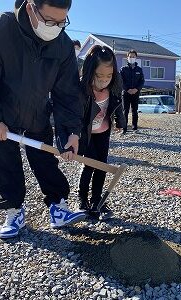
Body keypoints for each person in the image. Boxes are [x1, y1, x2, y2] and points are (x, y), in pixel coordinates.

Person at [0, 0, 86, 239]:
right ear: (31, 6)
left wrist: (71, 132)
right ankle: (14, 211)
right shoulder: (0, 28)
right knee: (5, 163)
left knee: (46, 160)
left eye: (61, 22)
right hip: (1, 115)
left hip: (37, 113)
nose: (54, 27)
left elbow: (67, 94)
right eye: (49, 21)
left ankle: (58, 207)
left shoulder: (62, 45)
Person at [78, 45, 126, 220]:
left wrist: (121, 122)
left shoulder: (113, 87)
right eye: (99, 76)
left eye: (109, 76)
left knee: (102, 166)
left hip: (103, 133)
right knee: (89, 165)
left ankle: (97, 200)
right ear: (91, 71)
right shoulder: (83, 90)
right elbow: (74, 115)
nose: (104, 80)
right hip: (87, 134)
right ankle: (82, 199)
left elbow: (118, 105)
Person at [120, 50, 144, 134]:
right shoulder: (123, 69)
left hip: (136, 93)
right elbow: (121, 81)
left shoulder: (139, 69)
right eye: (130, 56)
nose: (132, 58)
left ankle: (135, 128)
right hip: (126, 93)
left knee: (135, 111)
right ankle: (124, 129)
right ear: (127, 57)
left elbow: (142, 81)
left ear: (136, 58)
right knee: (125, 111)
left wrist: (136, 89)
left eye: (133, 56)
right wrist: (127, 89)